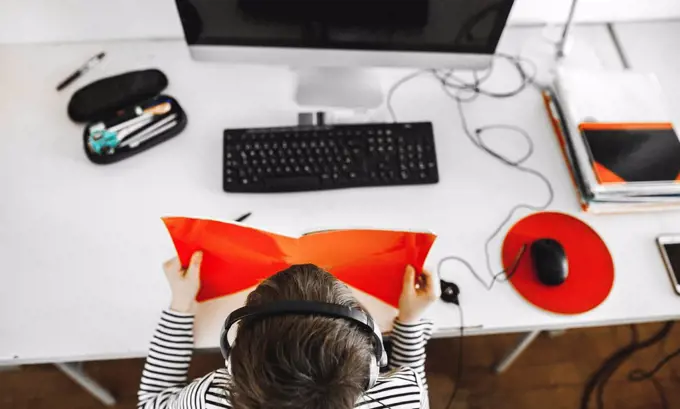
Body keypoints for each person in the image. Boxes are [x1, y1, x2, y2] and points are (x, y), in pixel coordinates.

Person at [138, 252, 440, 409]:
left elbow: (151, 403)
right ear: (373, 367)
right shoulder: (405, 396)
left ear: (233, 364)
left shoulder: (211, 398)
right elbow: (408, 379)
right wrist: (409, 322)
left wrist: (180, 305)